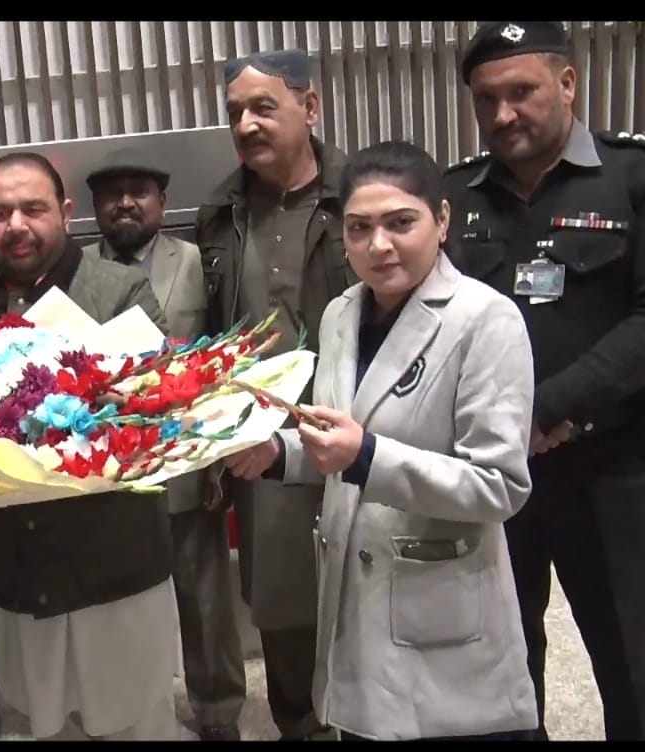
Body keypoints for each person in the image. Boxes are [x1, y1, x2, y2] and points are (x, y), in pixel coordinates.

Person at [227, 139, 539, 740]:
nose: (378, 245)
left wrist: (367, 456)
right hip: (355, 592)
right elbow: (336, 438)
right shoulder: (341, 314)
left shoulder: (485, 319)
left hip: (441, 601)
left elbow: (499, 485)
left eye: (401, 223)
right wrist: (277, 453)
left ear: (441, 220)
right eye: (359, 228)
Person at [0, 152, 180, 741]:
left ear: (66, 213)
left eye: (33, 208)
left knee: (138, 724)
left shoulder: (120, 290)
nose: (16, 225)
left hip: (116, 571)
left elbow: (159, 413)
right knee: (39, 724)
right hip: (17, 574)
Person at [444, 20, 645, 740]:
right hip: (493, 474)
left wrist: (550, 407)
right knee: (498, 662)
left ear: (567, 84)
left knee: (632, 659)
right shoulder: (454, 196)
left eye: (521, 92)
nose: (503, 114)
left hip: (614, 469)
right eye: (486, 99)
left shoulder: (630, 177)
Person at [199, 47, 355, 742]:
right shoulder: (220, 212)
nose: (246, 125)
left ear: (310, 107)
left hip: (357, 422)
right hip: (263, 438)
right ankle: (300, 724)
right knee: (282, 600)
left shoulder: (360, 196)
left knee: (368, 582)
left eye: (264, 107)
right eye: (235, 112)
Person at [82, 149, 245, 741]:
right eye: (113, 194)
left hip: (187, 459)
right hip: (106, 470)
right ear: (95, 207)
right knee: (119, 608)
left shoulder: (199, 260)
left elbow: (223, 357)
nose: (126, 203)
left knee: (204, 599)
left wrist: (218, 461)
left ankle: (218, 710)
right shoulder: (74, 271)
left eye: (140, 191)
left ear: (163, 200)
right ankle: (134, 713)